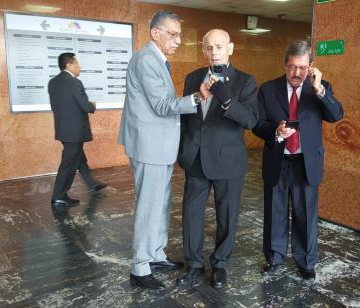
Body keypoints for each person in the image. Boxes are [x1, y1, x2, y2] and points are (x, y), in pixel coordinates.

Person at [117, 10, 208, 290]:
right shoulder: (146, 60)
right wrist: (197, 96)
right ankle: (140, 267)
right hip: (150, 146)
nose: (179, 40)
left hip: (159, 146)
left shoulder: (158, 60)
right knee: (149, 206)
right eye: (173, 33)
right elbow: (162, 105)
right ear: (155, 33)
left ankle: (155, 254)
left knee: (160, 204)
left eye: (180, 34)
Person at [252, 40, 344, 280]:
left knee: (305, 215)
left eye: (302, 68)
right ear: (285, 65)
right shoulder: (268, 89)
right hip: (278, 159)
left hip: (306, 162)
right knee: (275, 212)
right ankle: (274, 258)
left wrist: (319, 90)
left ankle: (306, 262)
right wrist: (275, 131)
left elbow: (336, 115)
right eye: (292, 67)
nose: (296, 73)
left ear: (311, 66)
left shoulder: (320, 88)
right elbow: (257, 124)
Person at [175, 29, 258, 289]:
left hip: (228, 161)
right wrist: (200, 98)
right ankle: (194, 264)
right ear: (203, 51)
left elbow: (250, 120)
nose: (215, 52)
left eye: (220, 46)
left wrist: (225, 97)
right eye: (209, 47)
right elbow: (185, 118)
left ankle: (220, 264)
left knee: (227, 215)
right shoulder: (192, 78)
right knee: (191, 215)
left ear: (231, 48)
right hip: (196, 159)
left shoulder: (245, 81)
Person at [49, 52, 107, 207]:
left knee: (79, 158)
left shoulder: (53, 82)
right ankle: (59, 196)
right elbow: (85, 106)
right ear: (69, 65)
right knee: (68, 164)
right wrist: (92, 104)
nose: (79, 67)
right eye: (77, 63)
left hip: (63, 130)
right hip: (74, 132)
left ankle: (91, 183)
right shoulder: (75, 83)